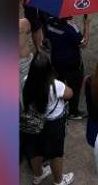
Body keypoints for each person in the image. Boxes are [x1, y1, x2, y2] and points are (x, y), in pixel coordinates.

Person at [21, 54, 75, 185]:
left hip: (33, 122)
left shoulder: (26, 80)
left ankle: (38, 175)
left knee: (35, 150)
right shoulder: (55, 86)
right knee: (55, 153)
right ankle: (59, 181)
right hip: (53, 123)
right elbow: (70, 94)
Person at [44, 15, 88, 120]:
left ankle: (62, 101)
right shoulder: (71, 27)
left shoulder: (49, 22)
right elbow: (83, 43)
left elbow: (46, 38)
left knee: (60, 82)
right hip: (72, 63)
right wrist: (87, 25)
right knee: (75, 87)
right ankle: (73, 112)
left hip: (56, 61)